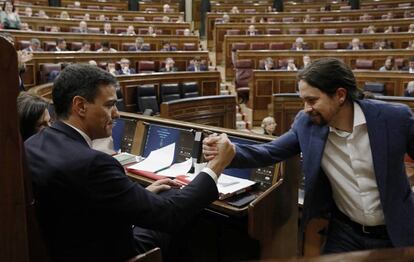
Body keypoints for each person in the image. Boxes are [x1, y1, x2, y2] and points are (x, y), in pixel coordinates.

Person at [24, 64, 233, 261]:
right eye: (110, 105)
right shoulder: (93, 164)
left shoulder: (32, 144)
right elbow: (171, 214)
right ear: (80, 106)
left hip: (67, 244)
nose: (116, 114)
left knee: (165, 194)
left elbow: (81, 201)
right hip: (109, 253)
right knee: (183, 214)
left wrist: (140, 195)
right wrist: (216, 165)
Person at [203, 57, 414, 253]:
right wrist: (228, 151)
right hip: (345, 232)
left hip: (397, 229)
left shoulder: (394, 118)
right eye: (303, 100)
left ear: (340, 95)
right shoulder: (307, 124)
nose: (306, 109)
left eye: (312, 100)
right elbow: (269, 151)